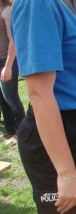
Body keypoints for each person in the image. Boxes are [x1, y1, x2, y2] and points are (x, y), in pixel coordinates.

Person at [11, 0, 76, 214]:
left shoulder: (74, 5)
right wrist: (66, 173)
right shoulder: (38, 5)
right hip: (62, 136)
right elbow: (39, 94)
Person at [0, 0, 25, 145]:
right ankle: (9, 129)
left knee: (11, 98)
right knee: (2, 98)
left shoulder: (7, 10)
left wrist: (8, 66)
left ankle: (19, 132)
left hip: (6, 61)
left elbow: (13, 40)